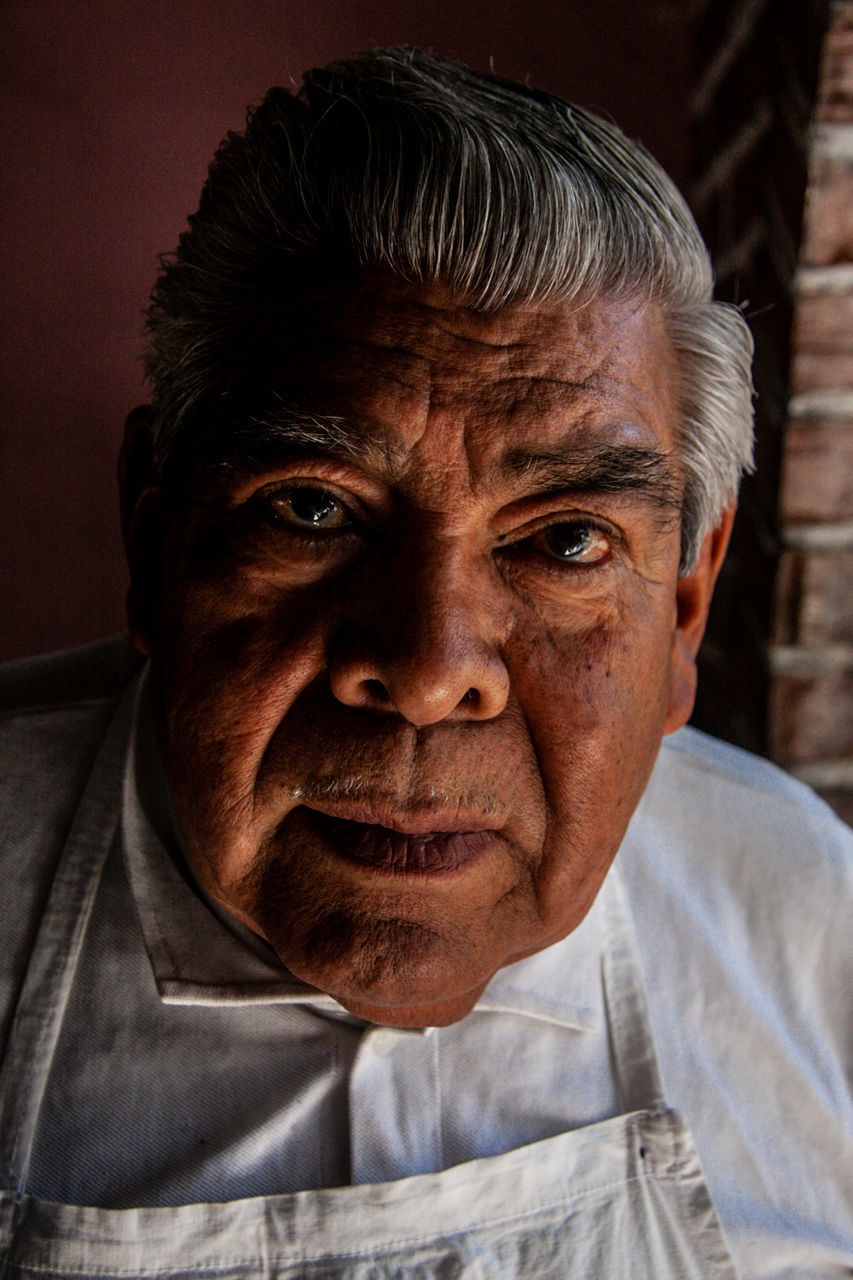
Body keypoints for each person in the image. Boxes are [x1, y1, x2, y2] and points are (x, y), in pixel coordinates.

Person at [0, 47, 850, 1280]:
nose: (428, 666)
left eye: (565, 538)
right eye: (310, 508)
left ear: (682, 604)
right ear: (153, 529)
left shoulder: (802, 912)